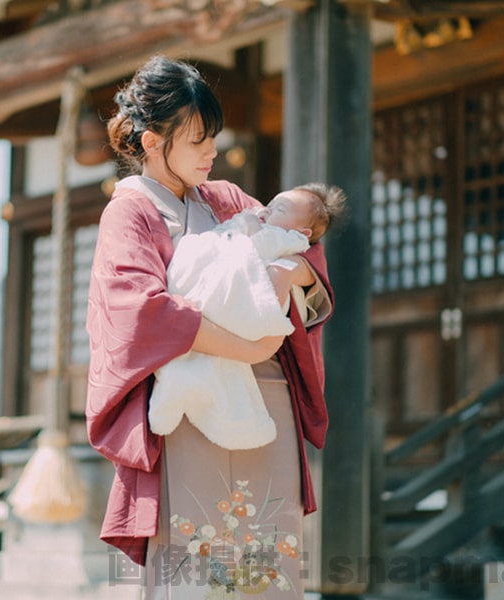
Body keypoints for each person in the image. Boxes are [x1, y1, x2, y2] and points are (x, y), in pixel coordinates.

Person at [85, 55, 341, 598]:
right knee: (199, 564)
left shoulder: (227, 201)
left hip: (266, 398)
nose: (212, 151)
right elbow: (139, 311)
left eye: (213, 137)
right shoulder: (128, 214)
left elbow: (305, 253)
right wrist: (247, 346)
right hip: (189, 405)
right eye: (198, 139)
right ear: (153, 140)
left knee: (269, 559)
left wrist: (285, 273)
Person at [148, 188, 343, 451]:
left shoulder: (274, 230)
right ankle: (175, 389)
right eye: (271, 204)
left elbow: (293, 258)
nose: (268, 210)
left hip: (240, 312)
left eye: (280, 210)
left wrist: (252, 237)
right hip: (198, 311)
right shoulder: (140, 199)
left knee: (210, 367)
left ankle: (187, 395)